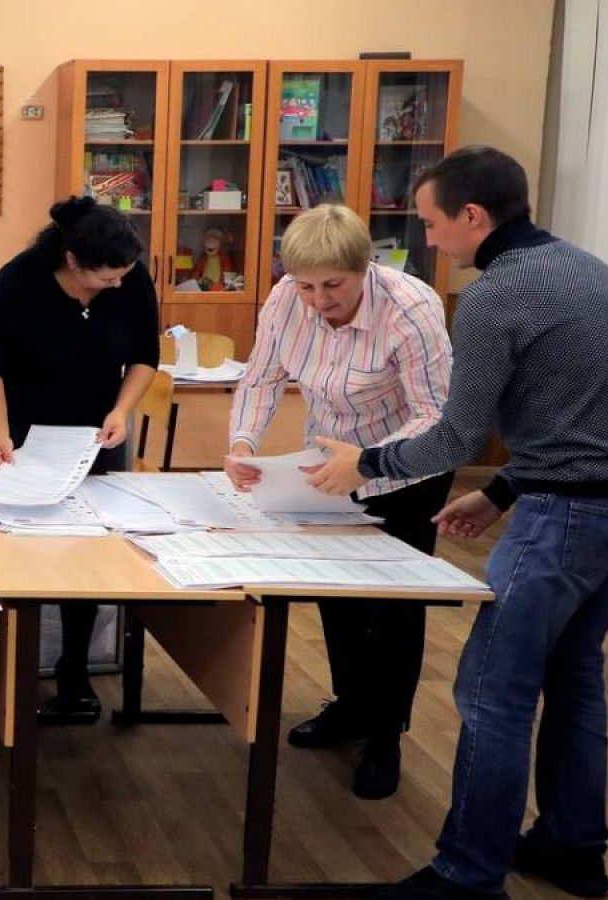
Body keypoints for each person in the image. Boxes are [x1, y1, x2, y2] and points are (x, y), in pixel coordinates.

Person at [308, 147, 608, 900]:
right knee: (575, 681)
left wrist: (363, 464)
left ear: (473, 217)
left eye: (435, 224)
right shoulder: (590, 269)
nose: (429, 240)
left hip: (568, 518)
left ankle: (467, 875)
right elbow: (598, 413)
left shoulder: (494, 299)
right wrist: (503, 491)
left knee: (491, 692)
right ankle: (573, 848)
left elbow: (454, 437)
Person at [227, 203, 453, 800]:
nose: (319, 300)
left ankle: (386, 735)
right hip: (327, 463)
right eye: (306, 285)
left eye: (333, 285)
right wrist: (243, 442)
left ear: (364, 268)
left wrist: (369, 463)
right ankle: (350, 707)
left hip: (405, 470)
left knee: (394, 603)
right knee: (334, 590)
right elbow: (262, 376)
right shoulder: (286, 299)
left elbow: (438, 415)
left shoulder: (410, 309)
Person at [0, 196, 159, 720]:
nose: (117, 286)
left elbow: (145, 355)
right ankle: (1, 676)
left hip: (94, 439)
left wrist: (123, 409)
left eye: (124, 276)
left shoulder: (131, 277)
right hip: (17, 440)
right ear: (73, 261)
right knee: (12, 558)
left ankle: (74, 675)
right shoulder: (19, 280)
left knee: (85, 560)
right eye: (106, 279)